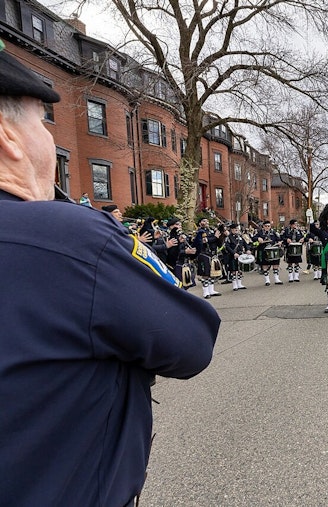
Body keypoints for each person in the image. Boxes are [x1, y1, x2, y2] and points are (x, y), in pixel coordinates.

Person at [0, 47, 220, 506]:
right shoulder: (73, 238)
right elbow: (192, 343)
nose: (49, 140)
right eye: (42, 121)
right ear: (8, 139)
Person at [253, 220, 283, 286]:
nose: (267, 227)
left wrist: (280, 242)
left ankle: (277, 279)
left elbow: (279, 239)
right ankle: (267, 280)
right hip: (263, 250)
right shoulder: (259, 232)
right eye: (266, 226)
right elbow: (253, 238)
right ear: (263, 226)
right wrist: (258, 238)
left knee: (275, 264)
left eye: (268, 226)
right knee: (265, 265)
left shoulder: (273, 232)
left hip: (273, 250)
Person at [282, 218, 305, 282]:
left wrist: (302, 239)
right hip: (289, 248)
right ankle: (290, 276)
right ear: (291, 225)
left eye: (296, 224)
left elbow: (303, 237)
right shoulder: (286, 231)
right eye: (295, 224)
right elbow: (282, 237)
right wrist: (286, 239)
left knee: (297, 262)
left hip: (297, 248)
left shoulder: (299, 231)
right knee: (290, 262)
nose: (296, 225)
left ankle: (296, 276)